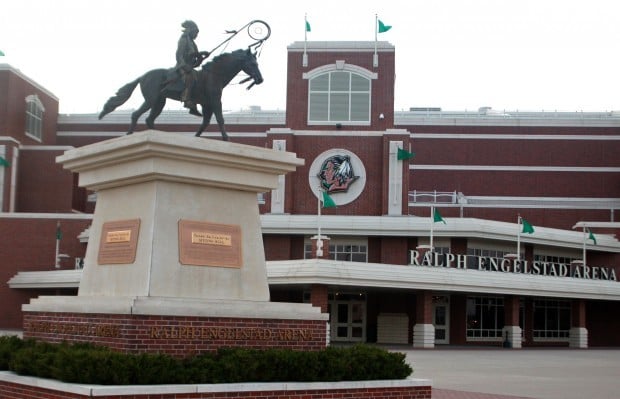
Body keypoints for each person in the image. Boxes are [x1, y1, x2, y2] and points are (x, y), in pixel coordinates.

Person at [176, 20, 209, 116]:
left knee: (199, 79)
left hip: (190, 67)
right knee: (190, 78)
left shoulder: (193, 43)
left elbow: (195, 59)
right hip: (183, 66)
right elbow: (179, 55)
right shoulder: (183, 39)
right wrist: (184, 65)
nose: (196, 35)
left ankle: (194, 103)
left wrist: (201, 58)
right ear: (190, 31)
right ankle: (186, 100)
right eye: (195, 33)